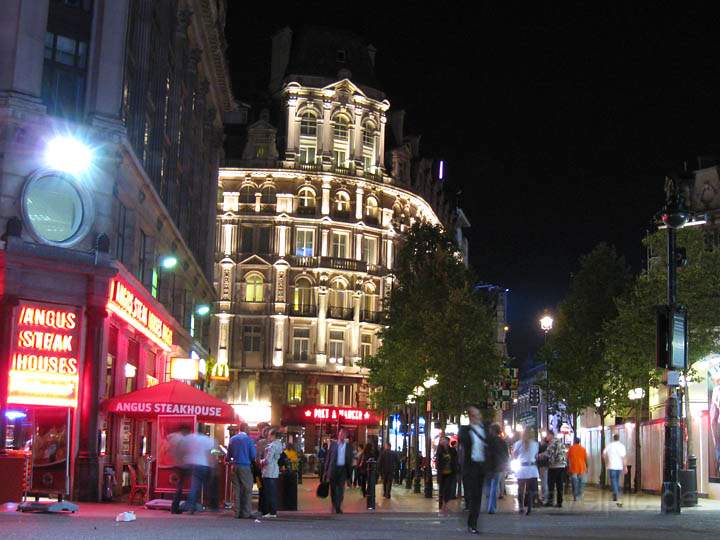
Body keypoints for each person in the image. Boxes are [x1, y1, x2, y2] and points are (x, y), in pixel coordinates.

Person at [458, 406, 487, 535]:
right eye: (475, 415)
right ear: (470, 417)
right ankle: (472, 522)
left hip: (481, 466)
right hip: (471, 466)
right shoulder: (465, 431)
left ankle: (472, 522)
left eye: (478, 414)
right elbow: (461, 440)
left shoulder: (485, 429)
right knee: (472, 495)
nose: (478, 417)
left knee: (477, 496)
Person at [181, 428, 216, 514]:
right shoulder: (207, 440)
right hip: (204, 465)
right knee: (209, 486)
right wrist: (213, 465)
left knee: (194, 487)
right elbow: (209, 453)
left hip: (193, 464)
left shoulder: (191, 438)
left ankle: (191, 507)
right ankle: (212, 506)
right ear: (204, 432)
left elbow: (184, 449)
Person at [228, 422, 257, 519]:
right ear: (246, 429)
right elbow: (253, 455)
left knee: (236, 490)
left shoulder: (232, 439)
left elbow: (229, 455)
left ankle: (236, 512)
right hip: (245, 466)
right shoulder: (249, 440)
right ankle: (246, 513)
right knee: (247, 489)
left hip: (234, 466)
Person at [323, 429, 353, 514]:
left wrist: (349, 475)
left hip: (343, 469)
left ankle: (338, 506)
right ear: (338, 435)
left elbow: (350, 461)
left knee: (340, 489)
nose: (342, 435)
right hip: (333, 469)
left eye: (344, 434)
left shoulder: (349, 447)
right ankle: (334, 503)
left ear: (346, 436)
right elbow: (328, 459)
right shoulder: (333, 445)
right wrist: (325, 472)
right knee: (333, 489)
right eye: (341, 434)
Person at [512, 428, 539, 515]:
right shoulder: (535, 444)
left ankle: (521, 507)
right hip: (532, 468)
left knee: (521, 489)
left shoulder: (518, 444)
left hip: (522, 468)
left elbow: (515, 456)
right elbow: (536, 455)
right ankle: (529, 508)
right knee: (530, 490)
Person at [485, 423, 509, 514]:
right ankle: (492, 507)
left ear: (493, 431)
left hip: (489, 466)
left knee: (488, 486)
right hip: (498, 466)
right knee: (494, 486)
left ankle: (488, 505)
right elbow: (506, 455)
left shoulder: (488, 441)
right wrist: (505, 465)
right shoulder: (502, 442)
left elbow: (485, 453)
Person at [260, 428, 283, 518]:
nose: (268, 436)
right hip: (275, 471)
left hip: (268, 471)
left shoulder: (271, 446)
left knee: (269, 492)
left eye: (269, 435)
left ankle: (271, 512)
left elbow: (267, 460)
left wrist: (261, 461)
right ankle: (273, 511)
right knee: (273, 492)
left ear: (273, 435)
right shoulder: (279, 445)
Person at [169, 425, 191, 514]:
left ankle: (175, 507)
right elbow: (183, 453)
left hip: (177, 466)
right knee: (179, 488)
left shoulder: (174, 438)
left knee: (179, 487)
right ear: (184, 430)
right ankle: (175, 508)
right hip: (181, 466)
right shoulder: (181, 440)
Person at [435, 435, 458, 515]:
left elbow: (455, 460)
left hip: (450, 473)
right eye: (441, 440)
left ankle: (445, 506)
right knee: (441, 490)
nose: (442, 442)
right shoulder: (439, 450)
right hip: (442, 473)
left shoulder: (452, 450)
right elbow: (437, 461)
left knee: (448, 490)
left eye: (444, 440)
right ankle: (441, 507)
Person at [544, 431, 567, 508]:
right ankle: (559, 502)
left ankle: (550, 501)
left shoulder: (552, 443)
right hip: (562, 465)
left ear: (551, 435)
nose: (546, 437)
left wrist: (540, 455)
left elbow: (550, 454)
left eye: (547, 435)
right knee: (559, 484)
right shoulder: (560, 442)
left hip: (554, 466)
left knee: (551, 484)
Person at [603, 433, 627, 507]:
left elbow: (603, 454)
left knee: (613, 480)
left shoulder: (609, 445)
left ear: (613, 438)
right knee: (616, 479)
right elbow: (624, 457)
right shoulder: (622, 446)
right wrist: (625, 466)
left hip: (611, 466)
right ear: (619, 438)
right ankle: (615, 493)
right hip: (619, 466)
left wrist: (606, 461)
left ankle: (615, 493)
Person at [567, 437, 588, 501]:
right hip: (582, 467)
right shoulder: (583, 449)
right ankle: (579, 494)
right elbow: (585, 459)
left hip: (573, 467)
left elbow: (568, 458)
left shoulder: (571, 448)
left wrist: (568, 466)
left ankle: (575, 495)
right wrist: (587, 467)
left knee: (574, 482)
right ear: (579, 442)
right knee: (580, 482)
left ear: (574, 441)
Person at [537, 432, 550, 506]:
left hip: (542, 466)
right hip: (546, 466)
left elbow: (538, 456)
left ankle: (544, 496)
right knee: (545, 481)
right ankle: (545, 496)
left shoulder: (542, 447)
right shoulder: (548, 447)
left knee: (544, 481)